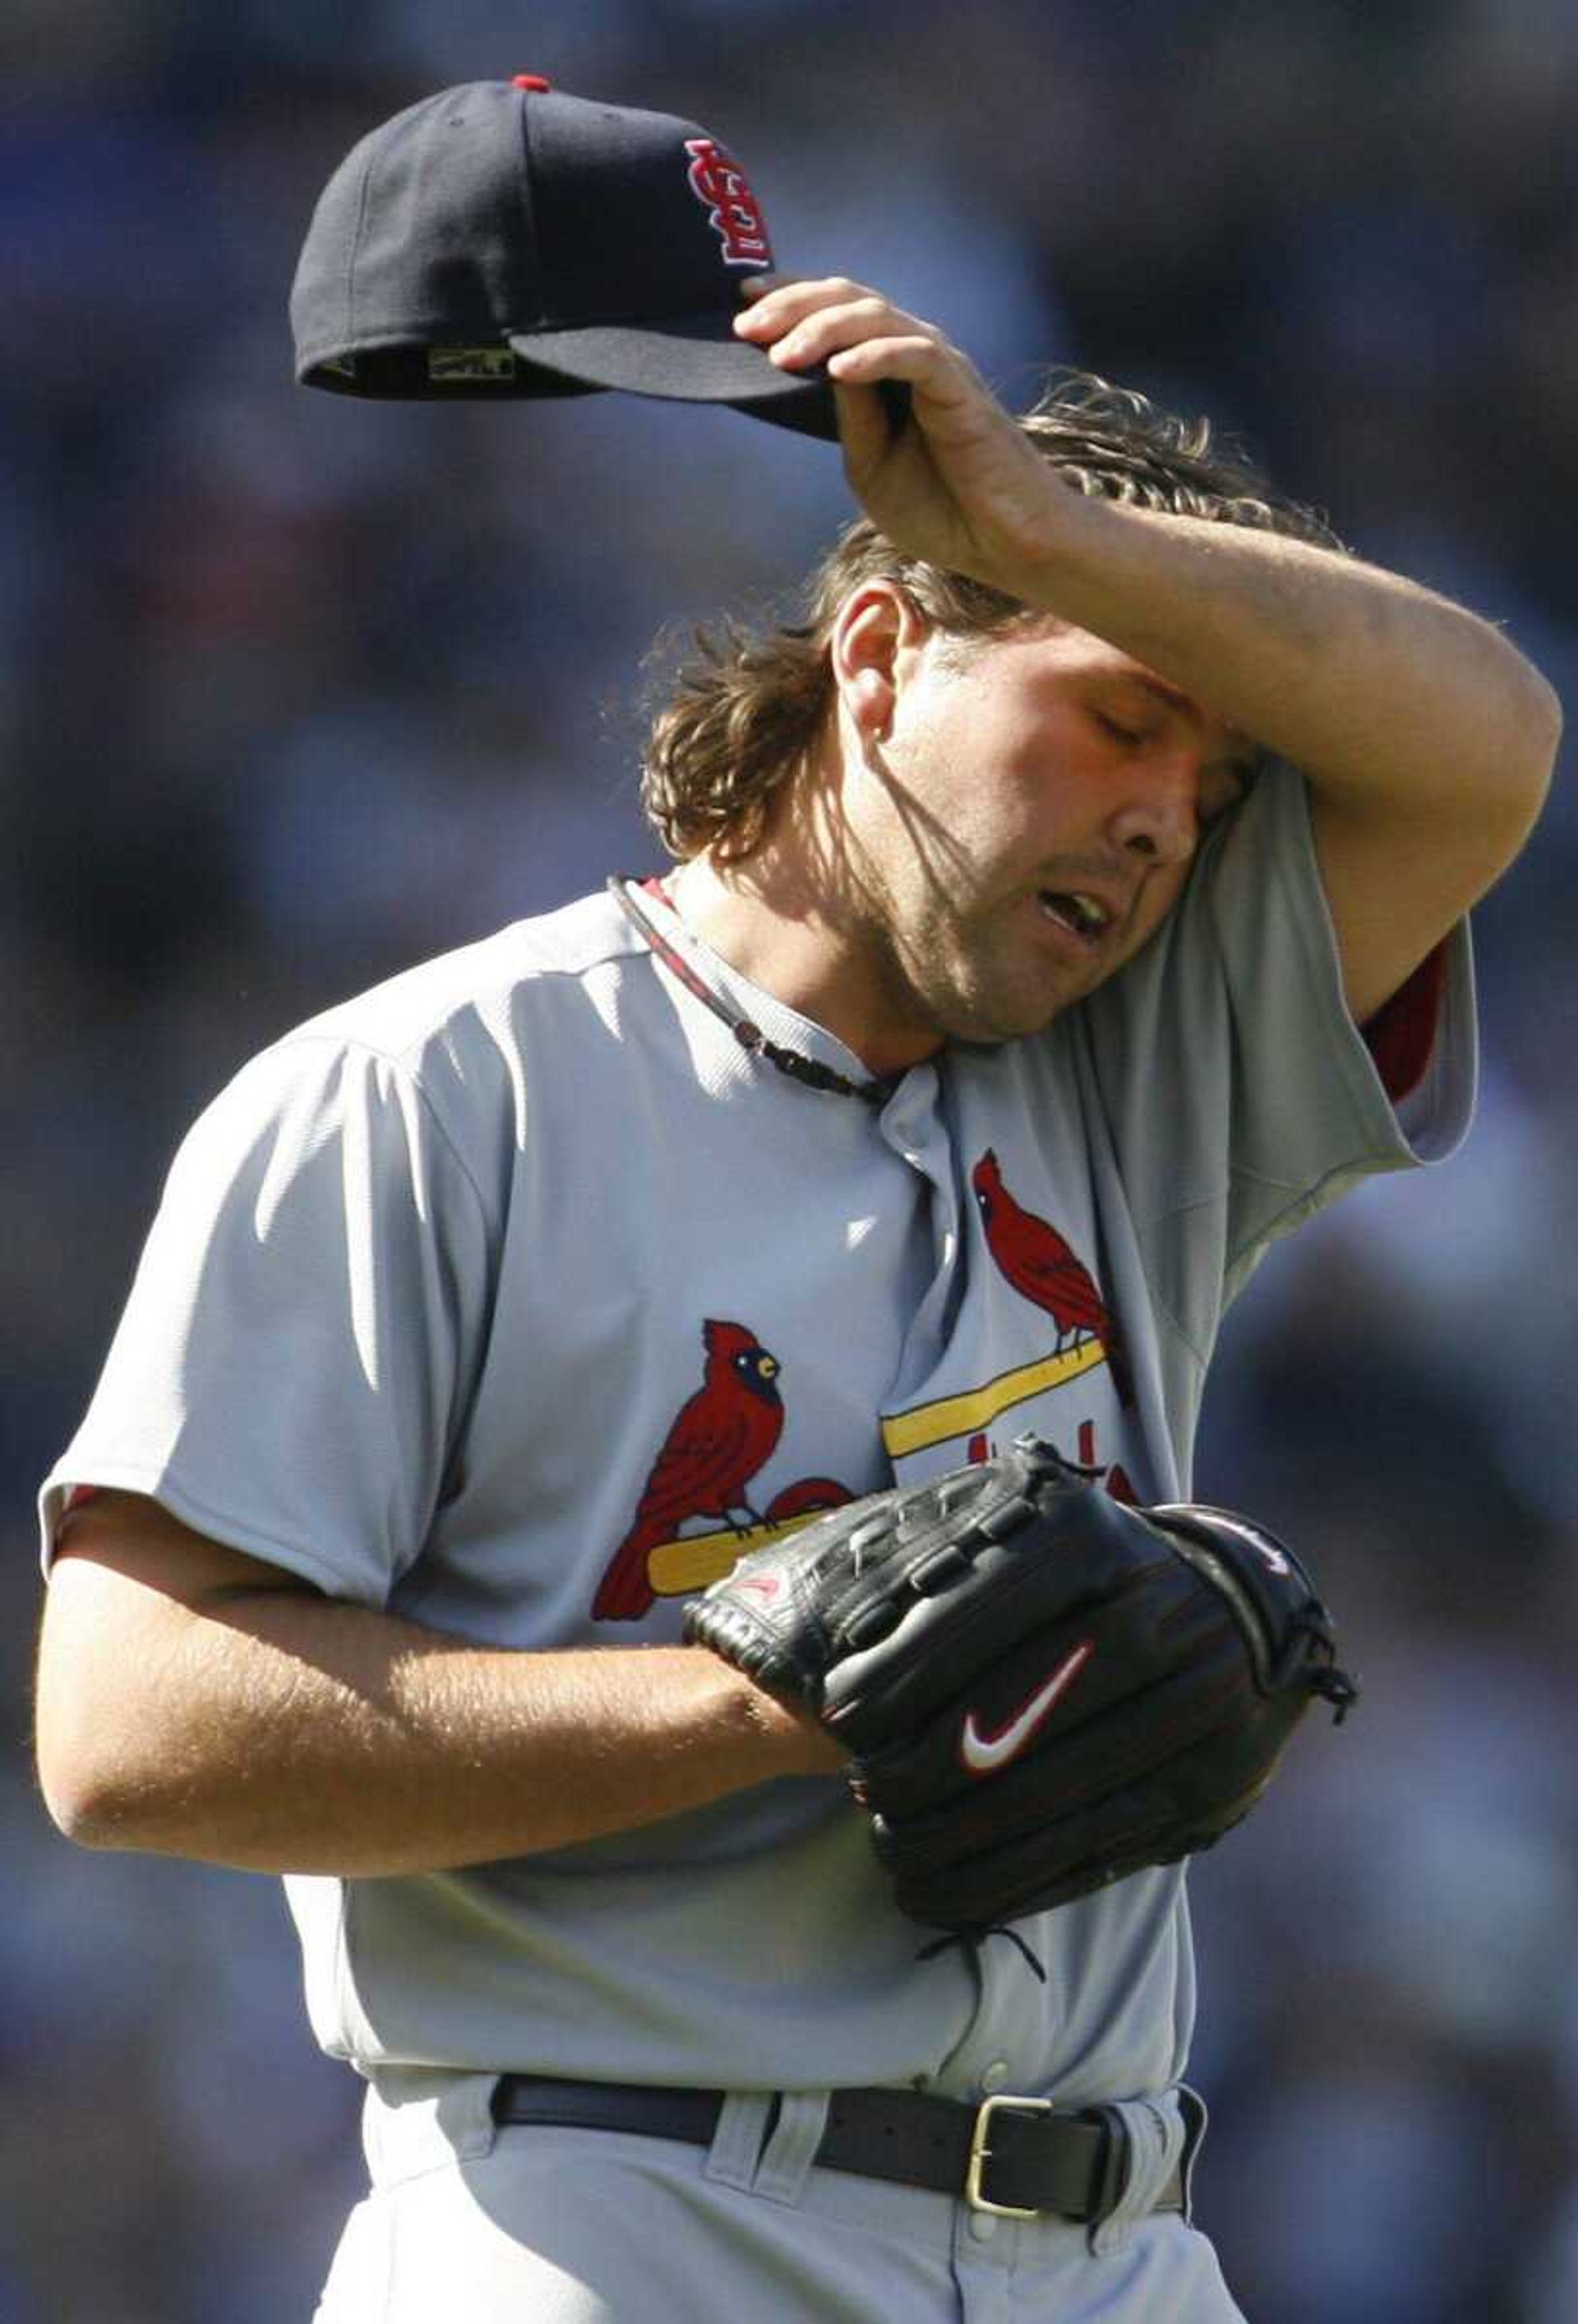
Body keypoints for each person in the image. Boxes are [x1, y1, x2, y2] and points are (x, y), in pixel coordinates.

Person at [32, 271, 1558, 2324]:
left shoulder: (1142, 1077)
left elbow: (1491, 745)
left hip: (1118, 2249)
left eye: (1204, 793)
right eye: (1119, 716)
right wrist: (749, 1708)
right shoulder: (435, 1091)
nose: (1160, 819)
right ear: (874, 654)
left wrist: (1056, 541)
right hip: (622, 2213)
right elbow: (123, 1725)